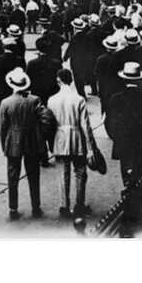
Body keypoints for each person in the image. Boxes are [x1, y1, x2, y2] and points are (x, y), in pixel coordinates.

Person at [104, 62, 142, 233]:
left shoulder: (116, 98)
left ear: (123, 79)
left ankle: (130, 207)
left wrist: (118, 137)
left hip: (125, 146)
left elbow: (109, 124)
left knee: (127, 176)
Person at [0, 68, 54, 220]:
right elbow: (47, 118)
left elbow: (3, 127)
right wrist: (41, 134)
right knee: (33, 174)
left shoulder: (5, 103)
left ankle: (13, 207)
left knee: (12, 176)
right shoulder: (34, 100)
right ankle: (35, 206)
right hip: (32, 141)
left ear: (12, 84)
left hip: (13, 141)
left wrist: (4, 144)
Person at [46, 69, 98, 218]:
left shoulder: (52, 100)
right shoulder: (79, 99)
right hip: (77, 138)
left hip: (60, 138)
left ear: (58, 81)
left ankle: (64, 205)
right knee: (80, 172)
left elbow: (48, 123)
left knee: (63, 173)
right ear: (72, 80)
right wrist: (91, 147)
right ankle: (79, 204)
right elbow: (85, 126)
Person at [63, 18, 92, 99]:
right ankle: (82, 92)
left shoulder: (74, 38)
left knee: (77, 78)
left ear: (75, 28)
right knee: (82, 76)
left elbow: (70, 49)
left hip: (75, 61)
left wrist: (65, 58)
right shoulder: (86, 37)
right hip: (85, 60)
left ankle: (81, 94)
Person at [95, 35, 122, 116]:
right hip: (116, 85)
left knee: (105, 105)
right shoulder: (119, 59)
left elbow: (96, 73)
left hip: (104, 85)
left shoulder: (100, 59)